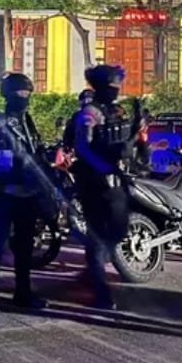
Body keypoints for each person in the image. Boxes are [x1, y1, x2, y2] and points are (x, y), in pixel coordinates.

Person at [0, 72, 47, 315]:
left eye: (28, 93)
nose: (24, 97)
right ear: (8, 95)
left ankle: (23, 293)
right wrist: (12, 158)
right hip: (3, 192)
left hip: (28, 192)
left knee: (25, 247)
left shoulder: (28, 122)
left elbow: (36, 150)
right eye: (20, 93)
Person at [72, 64, 134, 310]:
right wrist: (103, 166)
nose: (116, 90)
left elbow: (124, 140)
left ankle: (92, 270)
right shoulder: (90, 113)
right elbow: (83, 147)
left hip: (115, 180)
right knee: (98, 236)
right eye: (112, 86)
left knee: (118, 229)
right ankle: (100, 292)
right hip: (94, 182)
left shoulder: (116, 111)